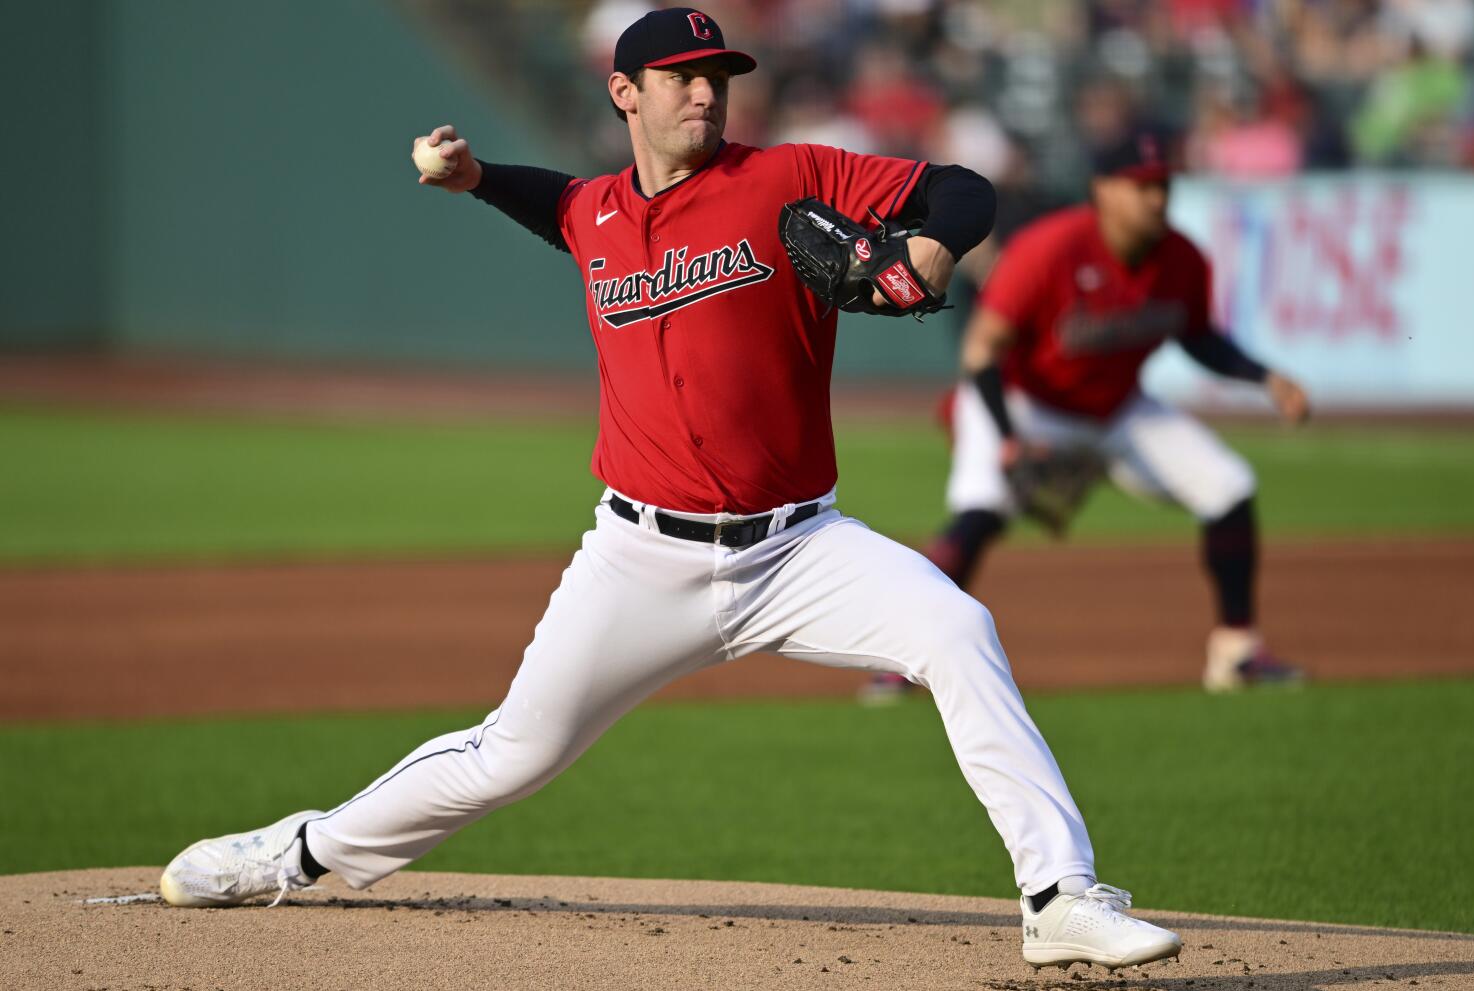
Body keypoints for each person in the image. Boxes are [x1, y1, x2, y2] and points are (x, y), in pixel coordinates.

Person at [158, 8, 1181, 972]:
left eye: (717, 77)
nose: (704, 93)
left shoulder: (786, 177)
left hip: (798, 550)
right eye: (680, 78)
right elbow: (553, 204)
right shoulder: (595, 211)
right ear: (623, 92)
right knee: (510, 755)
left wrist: (924, 244)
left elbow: (964, 187)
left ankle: (1058, 898)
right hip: (640, 557)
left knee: (956, 630)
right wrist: (474, 177)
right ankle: (296, 852)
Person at [907, 131, 1309, 696]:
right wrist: (1006, 437)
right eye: (1141, 186)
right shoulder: (1049, 248)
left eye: (1163, 185)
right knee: (981, 511)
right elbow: (981, 350)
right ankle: (905, 663)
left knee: (1229, 485)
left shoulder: (1182, 258)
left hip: (1117, 409)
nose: (1156, 199)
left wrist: (1265, 379)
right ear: (1102, 190)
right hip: (1026, 402)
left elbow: (1198, 338)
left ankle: (1236, 654)